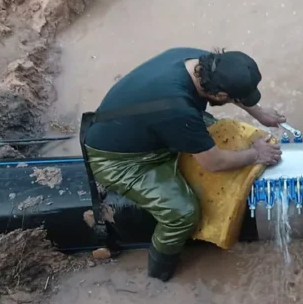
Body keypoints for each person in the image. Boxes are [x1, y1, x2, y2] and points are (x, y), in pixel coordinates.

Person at [80, 48, 286, 282]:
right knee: (182, 212)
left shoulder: (201, 61)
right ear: (219, 94)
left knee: (224, 130)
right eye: (231, 98)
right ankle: (159, 272)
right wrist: (256, 155)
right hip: (119, 159)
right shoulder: (178, 108)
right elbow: (214, 163)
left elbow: (227, 93)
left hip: (142, 125)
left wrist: (260, 114)